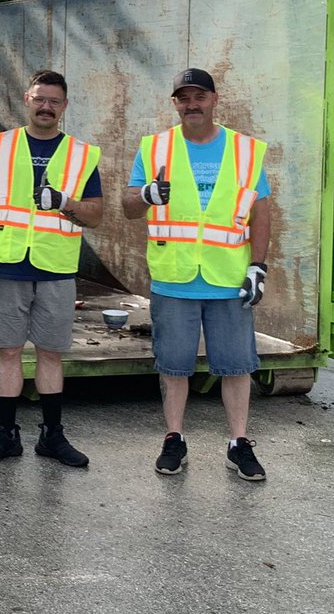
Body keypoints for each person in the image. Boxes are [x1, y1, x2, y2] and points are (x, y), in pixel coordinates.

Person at [121, 67, 271, 481]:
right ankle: (174, 438)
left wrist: (259, 265)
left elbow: (260, 212)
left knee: (237, 366)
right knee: (173, 366)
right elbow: (129, 205)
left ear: (214, 99)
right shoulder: (154, 148)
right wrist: (146, 195)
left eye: (199, 96)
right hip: (174, 277)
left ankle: (238, 444)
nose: (192, 104)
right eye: (183, 98)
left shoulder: (245, 150)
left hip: (228, 278)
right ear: (175, 103)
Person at [0, 70, 103, 467]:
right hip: (7, 266)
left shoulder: (81, 154)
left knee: (50, 354)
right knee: (7, 352)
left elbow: (95, 215)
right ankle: (6, 436)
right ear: (26, 99)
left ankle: (52, 437)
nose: (46, 107)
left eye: (54, 101)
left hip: (56, 269)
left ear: (65, 106)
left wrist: (64, 201)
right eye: (39, 99)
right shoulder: (0, 146)